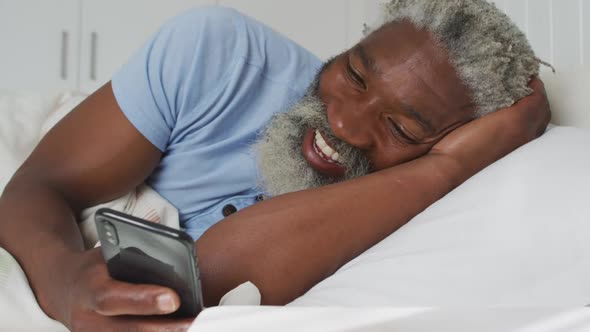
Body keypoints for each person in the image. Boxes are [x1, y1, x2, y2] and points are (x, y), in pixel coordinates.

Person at [0, 0, 550, 331]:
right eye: (355, 74)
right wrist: (65, 279)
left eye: (401, 128)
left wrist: (445, 171)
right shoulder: (217, 57)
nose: (344, 125)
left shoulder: (434, 207)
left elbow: (208, 279)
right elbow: (39, 186)